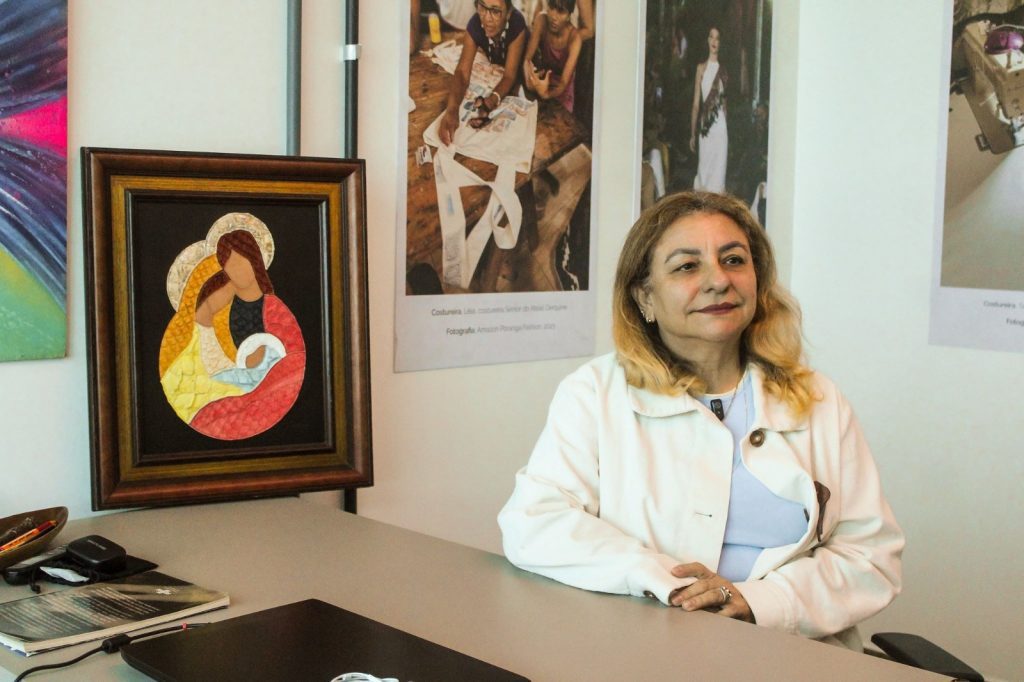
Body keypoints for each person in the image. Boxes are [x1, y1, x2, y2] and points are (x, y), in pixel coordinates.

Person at [498, 191, 904, 650]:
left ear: (757, 282)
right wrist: (663, 580)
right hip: (647, 649)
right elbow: (535, 523)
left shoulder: (818, 399)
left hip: (791, 650)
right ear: (645, 297)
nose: (718, 281)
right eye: (687, 266)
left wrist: (759, 602)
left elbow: (870, 557)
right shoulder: (595, 393)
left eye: (733, 260)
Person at [438, 0, 529, 145]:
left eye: (495, 11)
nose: (487, 18)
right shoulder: (475, 24)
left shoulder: (516, 23)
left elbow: (510, 76)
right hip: (495, 69)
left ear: (508, 12)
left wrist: (489, 102)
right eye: (482, 6)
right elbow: (462, 72)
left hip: (526, 78)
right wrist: (452, 110)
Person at [523, 0, 582, 112]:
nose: (554, 17)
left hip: (562, 92)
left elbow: (563, 83)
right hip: (542, 83)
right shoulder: (541, 20)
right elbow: (527, 59)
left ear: (569, 15)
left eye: (561, 11)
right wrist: (528, 80)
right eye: (551, 8)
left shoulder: (575, 38)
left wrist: (546, 94)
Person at [690, 27, 728, 192]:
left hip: (720, 130)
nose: (714, 41)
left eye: (717, 38)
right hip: (705, 128)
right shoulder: (700, 68)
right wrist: (692, 133)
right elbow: (696, 105)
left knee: (718, 178)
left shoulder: (723, 71)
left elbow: (724, 105)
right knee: (704, 175)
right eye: (711, 37)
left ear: (720, 43)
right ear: (707, 40)